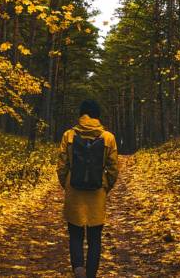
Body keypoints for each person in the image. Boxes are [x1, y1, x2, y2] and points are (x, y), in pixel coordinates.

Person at [57, 99, 119, 278]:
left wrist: (67, 184)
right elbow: (114, 169)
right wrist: (105, 186)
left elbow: (61, 166)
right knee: (94, 238)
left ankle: (78, 270)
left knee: (75, 235)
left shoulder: (68, 135)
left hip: (74, 193)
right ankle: (91, 274)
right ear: (97, 115)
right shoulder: (108, 137)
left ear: (81, 114)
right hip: (97, 193)